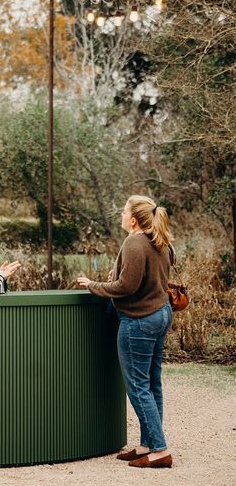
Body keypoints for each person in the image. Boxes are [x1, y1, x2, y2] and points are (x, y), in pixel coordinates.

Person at [77, 195, 174, 469]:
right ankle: (147, 444)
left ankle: (159, 449)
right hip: (161, 313)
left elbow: (126, 287)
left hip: (140, 320)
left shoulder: (135, 241)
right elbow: (146, 278)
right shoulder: (159, 240)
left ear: (133, 220)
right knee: (152, 383)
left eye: (123, 211)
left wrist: (93, 284)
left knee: (138, 386)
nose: (120, 214)